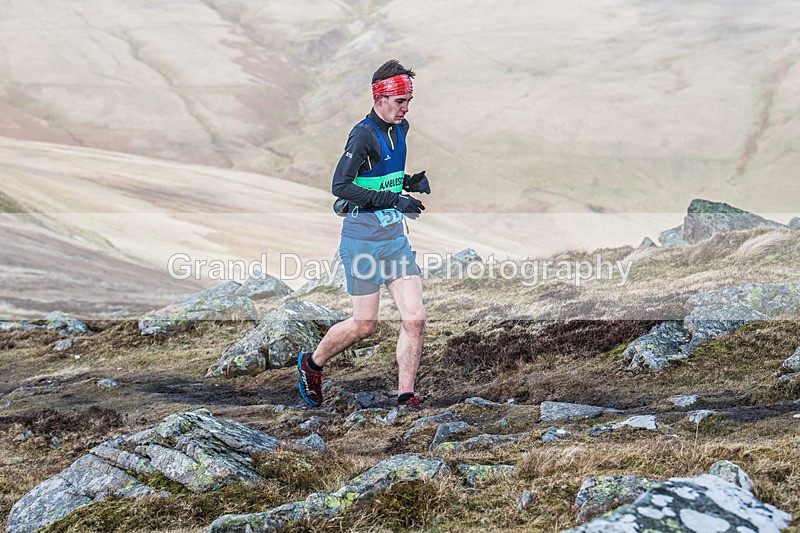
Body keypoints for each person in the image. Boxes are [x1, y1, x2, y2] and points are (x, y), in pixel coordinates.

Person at [297, 59, 431, 411]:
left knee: (414, 317)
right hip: (362, 240)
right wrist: (395, 199)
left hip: (393, 239)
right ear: (380, 97)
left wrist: (408, 181)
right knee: (364, 324)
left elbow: (377, 174)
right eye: (400, 101)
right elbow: (340, 185)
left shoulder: (400, 129)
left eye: (409, 101)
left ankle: (406, 397)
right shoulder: (363, 134)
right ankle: (312, 364)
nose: (405, 108)